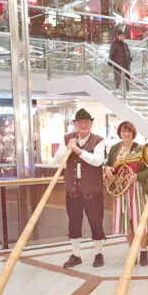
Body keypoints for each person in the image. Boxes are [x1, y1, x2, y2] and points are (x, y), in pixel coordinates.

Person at [54, 108, 106, 268]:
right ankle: (76, 255)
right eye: (80, 122)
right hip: (73, 191)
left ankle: (99, 253)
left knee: (96, 221)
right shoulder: (67, 139)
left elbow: (97, 161)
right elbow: (58, 159)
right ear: (75, 124)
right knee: (74, 222)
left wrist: (78, 150)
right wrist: (68, 147)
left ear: (91, 124)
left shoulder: (98, 140)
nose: (84, 125)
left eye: (87, 122)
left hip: (93, 190)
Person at [104, 121, 148, 265]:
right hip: (121, 191)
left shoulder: (140, 149)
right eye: (123, 131)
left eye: (129, 131)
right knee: (127, 223)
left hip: (137, 189)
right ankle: (132, 252)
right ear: (119, 133)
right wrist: (107, 168)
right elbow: (109, 164)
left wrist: (137, 176)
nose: (126, 134)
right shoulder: (115, 148)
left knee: (140, 222)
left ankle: (143, 251)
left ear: (133, 133)